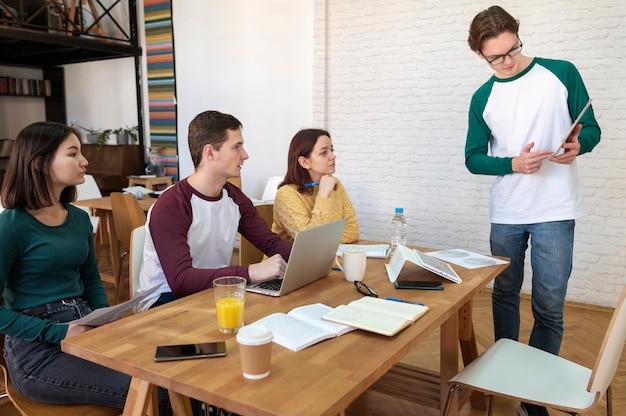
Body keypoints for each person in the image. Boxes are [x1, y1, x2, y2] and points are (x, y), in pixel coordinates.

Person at [466, 6, 600, 416]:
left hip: (556, 208)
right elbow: (473, 158)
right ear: (480, 55)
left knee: (549, 303)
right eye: (496, 58)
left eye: (513, 50)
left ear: (518, 37)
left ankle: (534, 396)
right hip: (507, 211)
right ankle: (506, 375)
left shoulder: (562, 72)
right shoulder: (483, 97)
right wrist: (511, 164)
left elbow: (591, 127)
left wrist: (581, 145)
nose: (508, 62)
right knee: (504, 294)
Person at [0, 122, 131, 409]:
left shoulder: (79, 218)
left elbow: (91, 278)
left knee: (169, 373)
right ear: (40, 164)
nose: (84, 161)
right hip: (36, 350)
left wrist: (103, 316)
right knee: (143, 389)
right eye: (73, 154)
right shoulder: (10, 226)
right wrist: (59, 332)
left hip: (85, 326)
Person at [137, 110, 292, 312]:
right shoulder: (171, 205)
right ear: (210, 153)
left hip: (212, 292)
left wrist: (315, 257)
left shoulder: (235, 198)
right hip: (165, 302)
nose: (245, 155)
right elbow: (181, 280)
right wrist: (252, 271)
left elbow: (271, 243)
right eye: (236, 147)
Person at [272, 128, 359, 244]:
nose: (332, 156)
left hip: (326, 259)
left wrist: (323, 241)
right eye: (324, 152)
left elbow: (353, 231)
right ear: (304, 162)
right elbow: (310, 241)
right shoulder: (286, 194)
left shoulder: (335, 183)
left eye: (331, 150)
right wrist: (323, 195)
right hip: (287, 262)